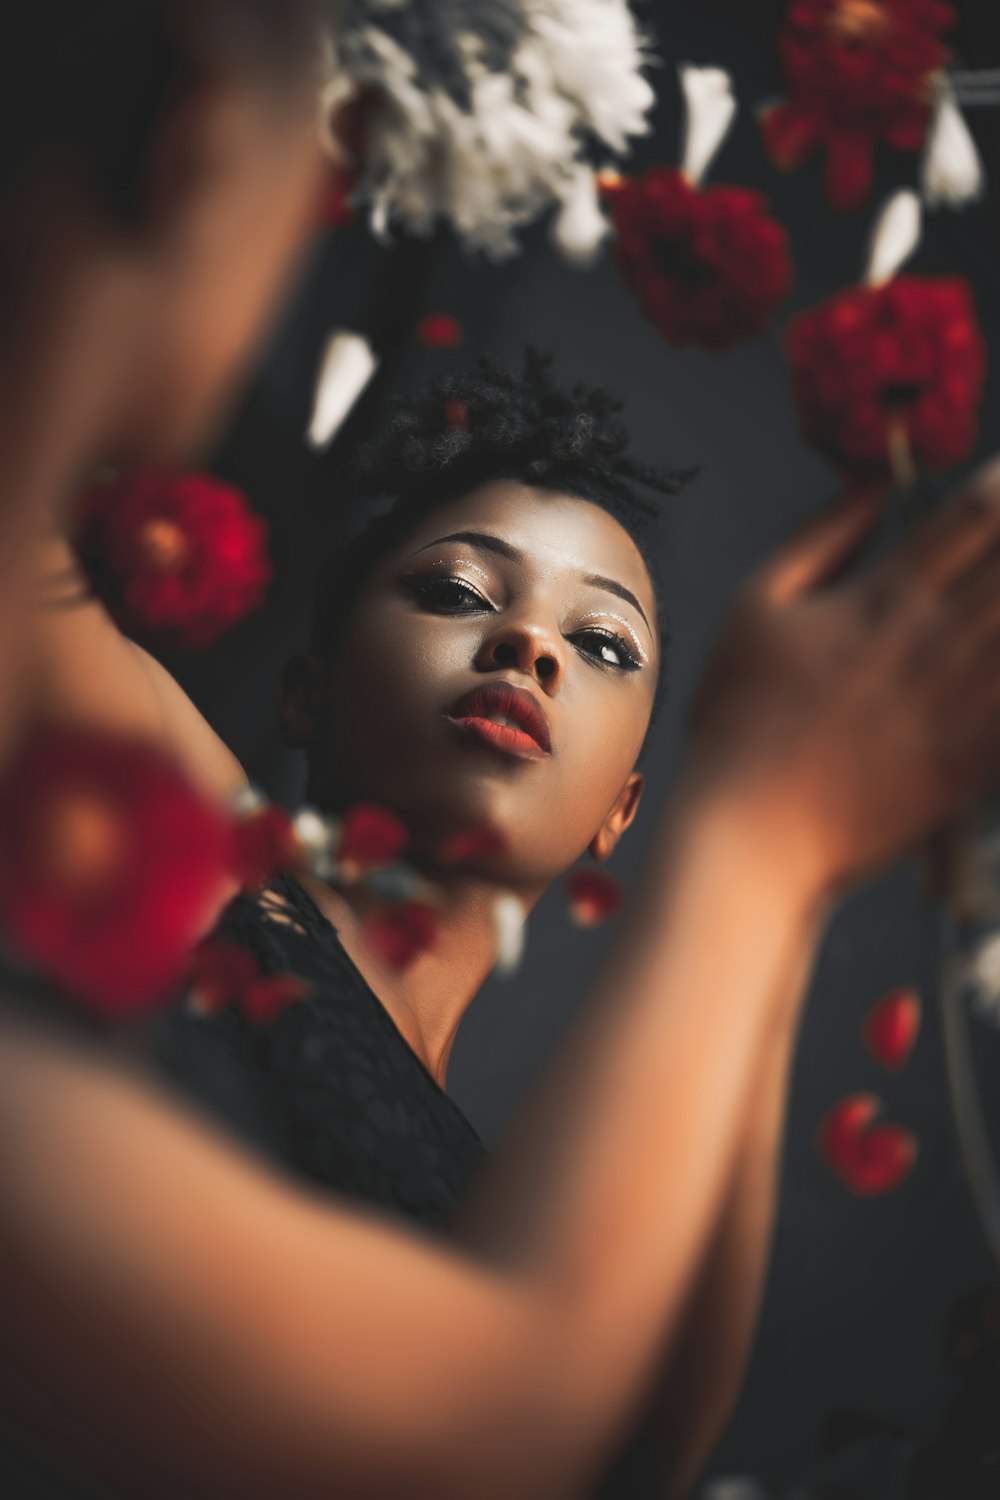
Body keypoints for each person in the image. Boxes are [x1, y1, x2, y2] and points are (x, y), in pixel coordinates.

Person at [5, 4, 1000, 1498]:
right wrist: (765, 835)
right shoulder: (196, 844)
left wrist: (794, 882)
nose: (526, 647)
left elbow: (647, 1445)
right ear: (304, 693)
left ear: (627, 812)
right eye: (460, 592)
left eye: (602, 645)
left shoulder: (508, 1208)